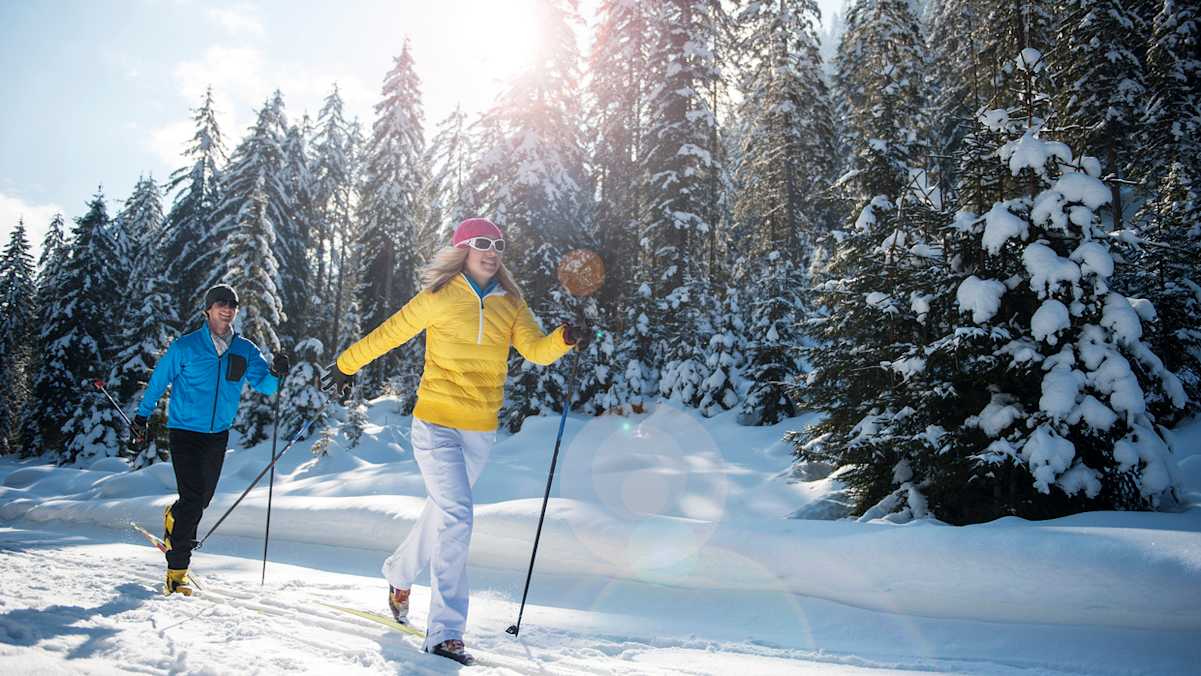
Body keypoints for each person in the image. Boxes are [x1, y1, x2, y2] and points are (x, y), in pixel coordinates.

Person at [326, 217, 588, 666]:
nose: (492, 250)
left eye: (499, 244)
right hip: (435, 424)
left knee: (445, 512)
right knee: (459, 515)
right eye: (482, 243)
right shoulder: (440, 296)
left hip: (479, 430)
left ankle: (399, 572)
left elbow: (535, 351)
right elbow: (391, 332)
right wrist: (346, 365)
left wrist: (564, 338)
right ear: (463, 249)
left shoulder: (512, 303)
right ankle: (446, 633)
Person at [130, 284, 289, 596]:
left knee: (200, 500)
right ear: (208, 309)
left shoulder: (244, 350)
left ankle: (173, 517)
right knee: (192, 500)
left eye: (232, 304)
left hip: (217, 435)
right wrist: (142, 416)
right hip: (185, 432)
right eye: (221, 303)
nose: (227, 309)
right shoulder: (186, 347)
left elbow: (266, 386)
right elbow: (159, 380)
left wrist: (277, 372)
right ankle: (177, 573)